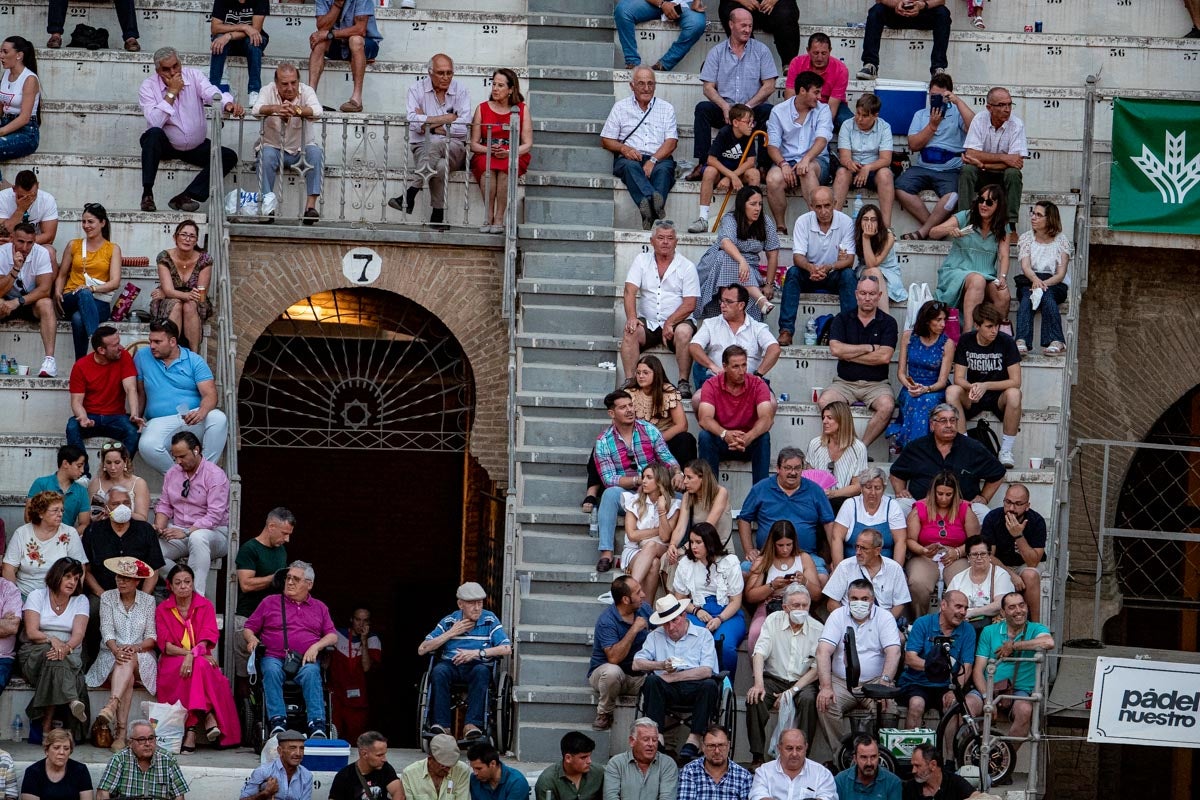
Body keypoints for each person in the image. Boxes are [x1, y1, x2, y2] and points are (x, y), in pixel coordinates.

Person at [138, 46, 241, 213]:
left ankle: (186, 195)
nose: (173, 72)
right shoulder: (148, 86)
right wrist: (171, 93)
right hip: (166, 145)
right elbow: (155, 121)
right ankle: (147, 194)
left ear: (180, 63)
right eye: (166, 69)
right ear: (158, 71)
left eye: (175, 66)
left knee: (228, 156)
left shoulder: (193, 76)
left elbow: (211, 93)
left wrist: (227, 104)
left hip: (195, 145)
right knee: (152, 135)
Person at [243, 560, 337, 738]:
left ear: (309, 584)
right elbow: (249, 627)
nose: (290, 582)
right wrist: (252, 639)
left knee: (311, 672)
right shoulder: (270, 602)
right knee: (270, 670)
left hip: (304, 659)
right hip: (274, 656)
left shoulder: (319, 607)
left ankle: (317, 725)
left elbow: (332, 636)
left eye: (296, 579)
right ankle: (277, 722)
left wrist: (316, 647)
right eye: (288, 578)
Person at [590, 390, 680, 573]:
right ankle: (606, 552)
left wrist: (677, 472)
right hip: (629, 493)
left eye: (631, 405)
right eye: (623, 407)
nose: (629, 410)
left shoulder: (649, 430)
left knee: (682, 498)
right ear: (611, 413)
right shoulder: (603, 441)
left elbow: (666, 458)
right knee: (609, 494)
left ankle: (678, 546)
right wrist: (635, 481)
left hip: (655, 491)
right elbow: (608, 479)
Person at [685, 8, 777, 185]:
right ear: (731, 24)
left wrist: (748, 108)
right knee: (702, 109)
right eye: (743, 25)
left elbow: (769, 86)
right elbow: (708, 87)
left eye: (750, 26)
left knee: (768, 111)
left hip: (751, 108)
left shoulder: (761, 51)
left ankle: (764, 166)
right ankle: (703, 163)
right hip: (726, 110)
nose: (747, 30)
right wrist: (724, 106)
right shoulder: (717, 52)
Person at [156, 564, 241, 750]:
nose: (183, 586)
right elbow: (168, 647)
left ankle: (192, 730)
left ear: (193, 583)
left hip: (199, 657)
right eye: (178, 583)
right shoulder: (163, 609)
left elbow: (206, 640)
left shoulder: (205, 605)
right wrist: (189, 655)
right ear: (170, 585)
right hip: (173, 661)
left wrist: (193, 655)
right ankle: (208, 715)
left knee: (199, 666)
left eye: (187, 582)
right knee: (198, 665)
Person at [815, 580, 901, 757]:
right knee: (825, 703)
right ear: (847, 598)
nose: (859, 602)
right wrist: (825, 687)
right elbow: (823, 651)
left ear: (873, 599)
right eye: (854, 598)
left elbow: (894, 652)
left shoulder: (884, 617)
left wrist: (884, 682)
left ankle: (880, 756)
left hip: (875, 681)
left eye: (864, 598)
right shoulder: (838, 615)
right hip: (842, 681)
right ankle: (843, 755)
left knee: (889, 708)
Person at [418, 581, 512, 739]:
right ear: (460, 604)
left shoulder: (489, 620)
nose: (477, 608)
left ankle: (472, 725)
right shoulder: (449, 621)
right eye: (471, 603)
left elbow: (506, 648)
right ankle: (442, 726)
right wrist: (451, 633)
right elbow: (422, 649)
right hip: (451, 665)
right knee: (438, 671)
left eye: (480, 603)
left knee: (482, 672)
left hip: (478, 665)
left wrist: (476, 653)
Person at [135, 320, 229, 475]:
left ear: (172, 341)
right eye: (150, 341)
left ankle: (204, 474)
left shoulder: (194, 360)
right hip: (160, 420)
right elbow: (139, 392)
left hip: (192, 417)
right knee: (147, 445)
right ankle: (180, 479)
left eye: (158, 342)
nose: (152, 346)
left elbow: (210, 395)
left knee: (218, 418)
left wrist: (201, 412)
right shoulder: (142, 356)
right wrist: (137, 416)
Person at [631, 597, 719, 761]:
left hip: (694, 685)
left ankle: (695, 738)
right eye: (666, 623)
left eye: (674, 621)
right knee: (651, 682)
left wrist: (674, 677)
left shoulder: (703, 635)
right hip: (666, 687)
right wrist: (661, 665)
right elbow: (636, 664)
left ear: (684, 615)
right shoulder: (655, 636)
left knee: (710, 684)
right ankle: (658, 737)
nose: (670, 627)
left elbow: (707, 670)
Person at [964, 592, 1053, 754]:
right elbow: (978, 670)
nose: (1019, 610)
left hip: (1019, 691)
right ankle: (971, 754)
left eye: (1022, 605)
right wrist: (987, 698)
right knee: (967, 705)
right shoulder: (989, 631)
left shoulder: (1036, 628)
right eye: (1012, 607)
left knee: (1026, 710)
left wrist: (1013, 646)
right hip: (989, 687)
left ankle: (1003, 760)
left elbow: (1048, 642)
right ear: (1003, 613)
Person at [889, 403, 1006, 525]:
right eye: (943, 421)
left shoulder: (973, 448)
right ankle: (901, 543)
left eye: (953, 420)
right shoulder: (916, 447)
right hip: (922, 506)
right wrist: (900, 490)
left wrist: (984, 497)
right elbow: (897, 473)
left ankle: (974, 545)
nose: (949, 425)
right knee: (899, 507)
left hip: (963, 508)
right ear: (932, 425)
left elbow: (998, 473)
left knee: (984, 514)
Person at [746, 584, 822, 767]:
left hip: (802, 682)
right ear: (785, 607)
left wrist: (792, 691)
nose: (801, 610)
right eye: (796, 605)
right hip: (774, 678)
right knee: (755, 698)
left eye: (805, 605)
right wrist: (758, 683)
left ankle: (803, 756)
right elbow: (759, 653)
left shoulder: (818, 628)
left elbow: (816, 669)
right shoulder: (773, 620)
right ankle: (757, 756)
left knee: (809, 700)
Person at [87, 557, 158, 752]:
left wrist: (135, 647)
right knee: (125, 664)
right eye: (119, 577)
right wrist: (116, 649)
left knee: (129, 658)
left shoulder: (148, 601)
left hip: (141, 657)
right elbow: (107, 631)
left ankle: (112, 706)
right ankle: (120, 733)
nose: (121, 581)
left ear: (137, 581)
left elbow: (152, 637)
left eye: (127, 578)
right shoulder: (108, 597)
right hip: (111, 655)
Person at [818, 276, 899, 448]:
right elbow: (836, 350)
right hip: (844, 382)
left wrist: (849, 353)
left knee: (887, 405)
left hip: (876, 384)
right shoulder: (842, 318)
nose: (867, 298)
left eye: (872, 293)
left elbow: (884, 357)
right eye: (863, 293)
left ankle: (860, 448)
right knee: (825, 402)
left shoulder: (889, 323)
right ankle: (847, 445)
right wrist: (869, 347)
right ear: (856, 294)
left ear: (879, 295)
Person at [620, 222, 700, 395]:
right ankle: (629, 381)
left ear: (676, 242)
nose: (665, 242)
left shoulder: (687, 266)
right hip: (648, 322)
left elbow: (690, 304)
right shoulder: (641, 260)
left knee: (685, 332)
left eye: (670, 238)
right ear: (652, 241)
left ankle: (683, 382)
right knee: (630, 331)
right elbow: (629, 291)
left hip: (677, 322)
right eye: (661, 238)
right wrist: (632, 318)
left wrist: (670, 322)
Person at [392, 55, 470, 228]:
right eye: (441, 73)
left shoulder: (461, 90)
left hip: (455, 147)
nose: (446, 77)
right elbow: (413, 122)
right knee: (440, 166)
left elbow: (463, 129)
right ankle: (437, 216)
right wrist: (447, 119)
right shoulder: (416, 89)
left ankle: (410, 193)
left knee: (436, 144)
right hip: (422, 146)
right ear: (430, 73)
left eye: (449, 73)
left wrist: (428, 124)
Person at [17, 558, 90, 741]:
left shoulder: (81, 600)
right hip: (34, 653)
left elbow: (78, 635)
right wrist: (53, 640)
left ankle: (46, 726)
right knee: (53, 656)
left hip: (68, 654)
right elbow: (32, 632)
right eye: (67, 576)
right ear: (56, 576)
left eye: (76, 577)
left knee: (56, 659)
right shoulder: (37, 596)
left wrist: (65, 648)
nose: (72, 582)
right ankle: (72, 699)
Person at [897, 74, 974, 241]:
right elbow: (914, 145)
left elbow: (975, 128)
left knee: (952, 196)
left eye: (940, 96)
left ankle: (923, 232)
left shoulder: (957, 113)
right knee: (900, 187)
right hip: (923, 166)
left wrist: (957, 102)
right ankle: (935, 228)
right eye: (932, 96)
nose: (935, 100)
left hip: (950, 169)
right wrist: (932, 126)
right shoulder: (921, 115)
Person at [774, 188, 856, 344]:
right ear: (811, 206)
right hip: (809, 273)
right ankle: (786, 331)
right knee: (793, 273)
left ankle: (850, 331)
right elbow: (798, 257)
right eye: (818, 207)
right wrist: (811, 268)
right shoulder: (803, 221)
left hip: (832, 273)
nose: (823, 211)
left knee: (848, 275)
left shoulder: (845, 222)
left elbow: (849, 260)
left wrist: (829, 267)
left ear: (835, 204)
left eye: (827, 205)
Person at [154, 431, 230, 598]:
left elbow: (215, 515)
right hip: (179, 530)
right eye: (175, 457)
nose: (178, 461)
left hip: (213, 533)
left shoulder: (215, 475)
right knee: (151, 549)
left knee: (198, 538)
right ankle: (181, 584)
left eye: (182, 456)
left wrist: (188, 531)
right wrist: (159, 527)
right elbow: (165, 505)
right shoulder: (172, 473)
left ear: (196, 450)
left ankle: (196, 596)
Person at [601, 67, 678, 230]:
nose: (646, 88)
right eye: (641, 83)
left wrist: (653, 160)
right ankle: (653, 202)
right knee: (629, 167)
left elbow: (671, 142)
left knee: (664, 171)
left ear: (655, 86)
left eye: (650, 84)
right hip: (630, 158)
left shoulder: (666, 108)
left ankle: (648, 210)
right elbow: (606, 140)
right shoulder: (620, 107)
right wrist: (624, 149)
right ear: (632, 85)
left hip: (659, 157)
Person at [738, 448, 835, 578]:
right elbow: (744, 519)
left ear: (803, 469)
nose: (793, 473)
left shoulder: (815, 490)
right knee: (742, 574)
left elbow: (829, 524)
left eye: (797, 468)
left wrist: (835, 558)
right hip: (767, 554)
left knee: (822, 579)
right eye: (788, 468)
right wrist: (749, 550)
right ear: (778, 468)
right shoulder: (760, 488)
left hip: (805, 555)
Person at [947, 304, 1022, 468]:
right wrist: (972, 387)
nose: (994, 330)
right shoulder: (967, 340)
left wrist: (986, 385)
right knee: (952, 391)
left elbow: (1016, 381)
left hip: (998, 395)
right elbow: (958, 378)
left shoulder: (1006, 341)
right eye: (989, 326)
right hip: (973, 394)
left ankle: (1006, 451)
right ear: (977, 325)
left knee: (1015, 394)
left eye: (996, 326)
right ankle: (964, 446)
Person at [251, 63, 324, 224]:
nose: (290, 88)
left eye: (293, 82)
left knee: (316, 153)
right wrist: (277, 108)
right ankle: (267, 208)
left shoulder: (306, 90)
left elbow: (318, 111)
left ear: (298, 81)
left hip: (300, 149)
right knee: (266, 155)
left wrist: (297, 110)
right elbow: (255, 109)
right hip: (273, 147)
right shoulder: (267, 90)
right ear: (276, 83)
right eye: (285, 84)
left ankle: (310, 208)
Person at [694, 189, 779, 324]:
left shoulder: (765, 221)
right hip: (717, 264)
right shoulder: (730, 218)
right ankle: (759, 299)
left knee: (740, 270)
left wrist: (769, 284)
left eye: (760, 204)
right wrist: (741, 261)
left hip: (749, 269)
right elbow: (725, 242)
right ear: (742, 205)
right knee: (726, 256)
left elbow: (773, 253)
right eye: (753, 204)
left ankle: (737, 319)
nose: (757, 208)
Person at [672, 522, 746, 675]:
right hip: (697, 611)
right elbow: (680, 599)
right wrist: (697, 610)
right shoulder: (685, 563)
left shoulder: (730, 562)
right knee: (692, 639)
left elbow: (736, 602)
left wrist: (719, 618)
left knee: (724, 644)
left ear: (709, 542)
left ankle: (724, 685)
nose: (693, 546)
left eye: (698, 542)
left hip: (728, 613)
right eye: (691, 542)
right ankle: (695, 682)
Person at [696, 344, 775, 486]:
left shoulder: (757, 384)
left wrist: (749, 436)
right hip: (723, 440)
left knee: (764, 436)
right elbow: (704, 418)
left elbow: (767, 418)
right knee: (705, 436)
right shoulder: (711, 384)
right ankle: (710, 493)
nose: (742, 371)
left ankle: (762, 494)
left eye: (744, 365)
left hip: (749, 440)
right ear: (724, 366)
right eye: (736, 366)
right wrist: (724, 434)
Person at [932, 186, 1010, 329]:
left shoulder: (1002, 226)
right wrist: (950, 230)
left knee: (1003, 293)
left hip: (985, 275)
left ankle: (994, 334)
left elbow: (1004, 255)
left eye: (989, 202)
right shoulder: (965, 216)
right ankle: (968, 335)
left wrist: (1003, 276)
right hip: (956, 270)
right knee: (977, 280)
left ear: (998, 206)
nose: (983, 205)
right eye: (981, 200)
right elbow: (933, 232)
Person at [765, 72, 833, 233]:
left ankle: (817, 226)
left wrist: (806, 159)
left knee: (807, 170)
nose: (819, 97)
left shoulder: (823, 110)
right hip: (787, 161)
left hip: (816, 161)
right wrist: (783, 164)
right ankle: (781, 227)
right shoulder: (778, 111)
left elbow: (822, 140)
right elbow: (772, 146)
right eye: (816, 92)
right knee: (772, 179)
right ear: (802, 91)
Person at [897, 590, 974, 730]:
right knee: (916, 704)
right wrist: (936, 668)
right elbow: (910, 658)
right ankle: (913, 751)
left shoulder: (968, 630)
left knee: (952, 708)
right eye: (958, 606)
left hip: (947, 685)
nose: (963, 612)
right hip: (917, 683)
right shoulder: (923, 623)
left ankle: (949, 752)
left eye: (965, 608)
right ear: (943, 605)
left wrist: (955, 690)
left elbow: (967, 666)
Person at [904, 470, 978, 615]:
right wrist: (922, 550)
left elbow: (975, 540)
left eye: (948, 494)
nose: (944, 498)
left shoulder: (964, 509)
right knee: (917, 583)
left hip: (956, 555)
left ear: (955, 493)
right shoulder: (920, 508)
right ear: (933, 492)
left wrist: (957, 552)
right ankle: (920, 623)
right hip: (925, 555)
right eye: (940, 494)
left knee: (962, 586)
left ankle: (956, 623)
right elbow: (909, 539)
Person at [67, 327, 141, 471]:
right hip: (91, 417)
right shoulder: (81, 366)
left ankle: (120, 472)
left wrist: (134, 414)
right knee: (72, 427)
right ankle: (83, 474)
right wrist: (82, 417)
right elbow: (76, 401)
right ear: (101, 350)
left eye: (119, 342)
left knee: (133, 431)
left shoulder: (124, 356)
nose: (120, 347)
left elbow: (130, 388)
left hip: (116, 417)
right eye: (115, 345)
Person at [56, 203, 123, 360]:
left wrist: (92, 289)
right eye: (84, 221)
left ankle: (81, 363)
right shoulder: (74, 245)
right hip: (72, 296)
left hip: (99, 301)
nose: (86, 226)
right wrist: (57, 292)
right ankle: (96, 340)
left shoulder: (112, 249)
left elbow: (115, 282)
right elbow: (62, 275)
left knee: (78, 319)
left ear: (102, 223)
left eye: (90, 222)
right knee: (82, 293)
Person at [468, 68, 532, 234]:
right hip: (486, 151)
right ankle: (488, 215)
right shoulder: (482, 108)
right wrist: (489, 150)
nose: (495, 88)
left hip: (511, 152)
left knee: (505, 168)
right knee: (486, 167)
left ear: (511, 90)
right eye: (493, 84)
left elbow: (527, 144)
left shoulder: (521, 109)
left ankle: (499, 218)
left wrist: (510, 152)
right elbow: (473, 144)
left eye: (500, 85)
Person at [960, 87, 1027, 241]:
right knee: (967, 170)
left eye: (1010, 104)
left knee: (1013, 174)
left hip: (1002, 175)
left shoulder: (1017, 124)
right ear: (989, 107)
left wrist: (983, 164)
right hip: (982, 175)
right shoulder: (979, 119)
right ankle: (964, 221)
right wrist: (1004, 158)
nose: (1007, 109)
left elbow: (1015, 163)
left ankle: (1010, 226)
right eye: (1002, 105)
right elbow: (970, 154)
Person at [689, 282, 780, 394]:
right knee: (698, 399)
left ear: (741, 305)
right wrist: (712, 366)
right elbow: (694, 346)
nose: (722, 305)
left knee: (770, 403)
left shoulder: (757, 327)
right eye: (722, 301)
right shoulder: (710, 324)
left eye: (728, 302)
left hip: (750, 380)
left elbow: (774, 348)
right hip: (717, 380)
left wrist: (759, 374)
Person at [234, 508, 295, 677]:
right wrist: (273, 578)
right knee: (245, 672)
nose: (287, 539)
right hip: (247, 617)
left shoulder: (281, 550)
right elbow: (245, 584)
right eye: (284, 533)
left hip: (273, 620)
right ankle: (242, 702)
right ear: (271, 526)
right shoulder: (250, 548)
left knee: (272, 668)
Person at [688, 106, 765, 234]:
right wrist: (730, 176)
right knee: (709, 171)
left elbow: (750, 161)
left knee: (754, 173)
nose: (751, 126)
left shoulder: (748, 135)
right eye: (748, 122)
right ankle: (703, 218)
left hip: (737, 173)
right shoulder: (725, 132)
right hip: (722, 172)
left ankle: (747, 221)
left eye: (753, 122)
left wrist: (731, 177)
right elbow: (711, 160)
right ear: (735, 122)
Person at [744, 521, 820, 652]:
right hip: (770, 605)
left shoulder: (803, 558)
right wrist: (772, 586)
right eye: (780, 545)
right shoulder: (764, 560)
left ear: (794, 542)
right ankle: (758, 670)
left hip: (798, 606)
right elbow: (750, 596)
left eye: (788, 545)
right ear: (773, 544)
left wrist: (805, 582)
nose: (785, 549)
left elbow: (817, 595)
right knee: (756, 632)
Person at [588, 575, 651, 728]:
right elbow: (614, 658)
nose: (643, 595)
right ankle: (604, 713)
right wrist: (634, 629)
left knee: (661, 681)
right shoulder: (607, 621)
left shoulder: (645, 609)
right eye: (637, 592)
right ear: (625, 600)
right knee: (612, 672)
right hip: (608, 675)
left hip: (638, 675)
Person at [980, 483, 1046, 621]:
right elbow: (988, 556)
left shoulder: (1036, 521)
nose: (1011, 508)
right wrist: (1010, 574)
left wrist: (1018, 535)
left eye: (1018, 504)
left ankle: (1035, 626)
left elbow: (1033, 562)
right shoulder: (992, 518)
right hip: (999, 564)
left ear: (1027, 506)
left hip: (1025, 565)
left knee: (1030, 575)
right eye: (1008, 502)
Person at [894, 301, 954, 450]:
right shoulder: (909, 337)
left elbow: (942, 381)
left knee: (924, 401)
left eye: (944, 320)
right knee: (912, 399)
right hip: (911, 386)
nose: (942, 324)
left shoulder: (947, 344)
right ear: (927, 321)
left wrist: (925, 389)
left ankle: (915, 449)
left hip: (935, 388)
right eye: (938, 320)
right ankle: (914, 449)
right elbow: (901, 372)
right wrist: (910, 386)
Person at [1015, 200, 1072, 356]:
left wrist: (1043, 284)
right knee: (1027, 297)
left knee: (1047, 296)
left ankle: (1057, 340)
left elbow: (1060, 274)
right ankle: (1021, 340)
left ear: (1050, 219)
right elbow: (1026, 267)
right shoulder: (1027, 238)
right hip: (1031, 279)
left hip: (1054, 282)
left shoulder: (1061, 241)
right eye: (1033, 213)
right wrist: (1035, 281)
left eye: (1039, 215)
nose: (1033, 217)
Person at [305, 0, 383, 114]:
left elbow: (360, 29)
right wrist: (337, 4)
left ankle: (356, 99)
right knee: (319, 44)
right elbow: (322, 27)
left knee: (355, 40)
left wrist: (330, 34)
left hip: (365, 43)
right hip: (338, 43)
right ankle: (310, 98)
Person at [0, 222, 57, 377]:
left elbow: (45, 289)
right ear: (12, 238)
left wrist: (18, 302)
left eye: (30, 243)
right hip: (5, 302)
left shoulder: (41, 253)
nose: (25, 248)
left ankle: (49, 361)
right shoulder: (1, 253)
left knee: (46, 303)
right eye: (21, 242)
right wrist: (15, 270)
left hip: (30, 302)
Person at [6, 492, 87, 598]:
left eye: (62, 510)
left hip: (59, 597)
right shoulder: (22, 533)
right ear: (40, 513)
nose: (60, 514)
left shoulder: (69, 533)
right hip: (25, 595)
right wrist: (14, 598)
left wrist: (71, 596)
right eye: (55, 510)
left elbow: (80, 568)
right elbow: (8, 568)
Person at [150, 221, 213, 353]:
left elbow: (201, 294)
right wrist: (176, 294)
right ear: (175, 237)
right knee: (176, 305)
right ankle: (172, 352)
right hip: (171, 299)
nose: (187, 239)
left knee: (189, 306)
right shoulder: (164, 257)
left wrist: (171, 293)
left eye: (192, 236)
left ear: (196, 240)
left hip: (195, 302)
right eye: (183, 234)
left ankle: (194, 355)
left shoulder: (204, 259)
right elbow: (167, 289)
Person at [624, 354, 697, 469]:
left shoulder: (668, 391)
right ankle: (594, 487)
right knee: (603, 445)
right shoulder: (629, 393)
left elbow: (682, 425)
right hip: (637, 442)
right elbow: (620, 424)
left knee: (686, 439)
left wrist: (656, 440)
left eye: (645, 373)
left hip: (665, 439)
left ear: (656, 373)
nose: (641, 376)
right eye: (638, 373)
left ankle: (685, 481)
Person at [833, 94, 895, 227]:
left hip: (874, 170)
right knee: (842, 174)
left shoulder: (884, 127)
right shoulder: (847, 125)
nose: (859, 119)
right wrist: (850, 163)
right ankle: (834, 224)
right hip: (852, 168)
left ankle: (886, 227)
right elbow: (844, 157)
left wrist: (868, 168)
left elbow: (886, 159)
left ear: (875, 115)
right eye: (858, 113)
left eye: (865, 116)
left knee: (886, 174)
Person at [621, 464, 679, 600]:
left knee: (651, 545)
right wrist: (657, 531)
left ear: (660, 481)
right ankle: (646, 610)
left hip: (660, 547)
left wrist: (661, 510)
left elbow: (665, 537)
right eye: (643, 477)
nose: (644, 481)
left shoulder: (674, 505)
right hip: (633, 550)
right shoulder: (634, 501)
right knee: (654, 564)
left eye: (649, 477)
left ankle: (629, 590)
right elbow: (632, 535)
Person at [823, 528, 910, 617]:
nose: (858, 552)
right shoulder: (845, 566)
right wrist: (851, 621)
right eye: (857, 546)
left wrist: (884, 624)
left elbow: (900, 604)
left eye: (864, 548)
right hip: (850, 621)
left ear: (877, 551)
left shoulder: (894, 569)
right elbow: (832, 604)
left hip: (882, 623)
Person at [831, 467, 908, 567]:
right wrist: (839, 569)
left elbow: (901, 541)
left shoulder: (892, 506)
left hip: (884, 568)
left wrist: (896, 572)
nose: (873, 493)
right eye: (868, 487)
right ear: (861, 488)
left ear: (884, 489)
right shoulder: (850, 505)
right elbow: (836, 538)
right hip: (851, 567)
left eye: (877, 488)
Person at [856, 0, 951, 81]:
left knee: (943, 13)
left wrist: (922, 5)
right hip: (896, 13)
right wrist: (896, 4)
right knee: (876, 10)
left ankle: (938, 68)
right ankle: (870, 64)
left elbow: (941, 1)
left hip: (922, 13)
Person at [783, 33, 852, 145]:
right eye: (815, 53)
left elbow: (832, 106)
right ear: (807, 50)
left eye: (824, 53)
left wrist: (822, 125)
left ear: (830, 50)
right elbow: (790, 95)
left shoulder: (841, 69)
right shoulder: (797, 63)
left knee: (847, 122)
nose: (819, 57)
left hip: (830, 104)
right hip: (803, 101)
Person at [96, 719, 189, 800]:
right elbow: (102, 794)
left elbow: (179, 796)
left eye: (151, 738)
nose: (148, 743)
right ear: (130, 743)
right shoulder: (119, 759)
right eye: (141, 739)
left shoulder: (168, 760)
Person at [330, 606, 381, 743]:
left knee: (356, 736)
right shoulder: (337, 635)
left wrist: (364, 641)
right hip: (337, 692)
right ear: (351, 620)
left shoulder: (373, 639)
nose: (361, 624)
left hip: (359, 697)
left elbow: (366, 667)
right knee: (334, 733)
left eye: (365, 621)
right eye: (358, 620)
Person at [947, 535, 1015, 632]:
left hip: (993, 629)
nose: (979, 558)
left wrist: (971, 613)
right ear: (968, 557)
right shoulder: (958, 578)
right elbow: (948, 605)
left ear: (989, 556)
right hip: (963, 627)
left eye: (983, 554)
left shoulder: (1000, 574)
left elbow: (1000, 604)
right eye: (974, 554)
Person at [669, 460, 733, 564]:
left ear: (702, 478)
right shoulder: (687, 496)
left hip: (719, 549)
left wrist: (684, 549)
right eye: (684, 477)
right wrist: (672, 546)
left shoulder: (720, 492)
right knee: (668, 559)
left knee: (682, 561)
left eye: (689, 477)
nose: (684, 481)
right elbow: (680, 527)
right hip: (697, 548)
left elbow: (707, 528)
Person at [807, 400, 868, 508]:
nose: (824, 421)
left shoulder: (858, 448)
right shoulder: (815, 444)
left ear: (842, 421)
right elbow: (808, 477)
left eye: (829, 418)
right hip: (817, 501)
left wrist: (833, 494)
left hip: (845, 502)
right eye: (824, 417)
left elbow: (858, 486)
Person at [614, 0, 705, 72]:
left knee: (697, 24)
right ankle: (632, 63)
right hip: (650, 3)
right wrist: (662, 4)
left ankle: (664, 65)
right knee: (623, 10)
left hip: (685, 4)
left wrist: (697, 1)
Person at [209, 0, 269, 108]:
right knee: (218, 41)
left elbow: (255, 30)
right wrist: (244, 27)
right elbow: (215, 28)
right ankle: (212, 90)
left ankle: (254, 92)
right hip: (228, 41)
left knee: (254, 42)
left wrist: (229, 36)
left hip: (249, 40)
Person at [748, 729, 836, 800]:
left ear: (806, 748)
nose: (794, 754)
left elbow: (828, 797)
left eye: (799, 748)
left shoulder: (821, 773)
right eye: (789, 748)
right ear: (779, 748)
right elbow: (757, 796)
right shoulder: (764, 771)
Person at [604, 718, 678, 800]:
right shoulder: (616, 763)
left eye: (655, 740)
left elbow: (667, 798)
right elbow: (610, 797)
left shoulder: (667, 764)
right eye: (646, 739)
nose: (651, 744)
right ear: (632, 741)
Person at [853, 204, 905, 314]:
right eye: (865, 219)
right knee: (873, 272)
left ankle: (884, 322)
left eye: (873, 220)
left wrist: (866, 238)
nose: (869, 223)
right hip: (865, 269)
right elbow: (868, 265)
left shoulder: (888, 236)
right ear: (860, 221)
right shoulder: (856, 233)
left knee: (874, 271)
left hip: (888, 272)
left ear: (879, 222)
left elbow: (873, 263)